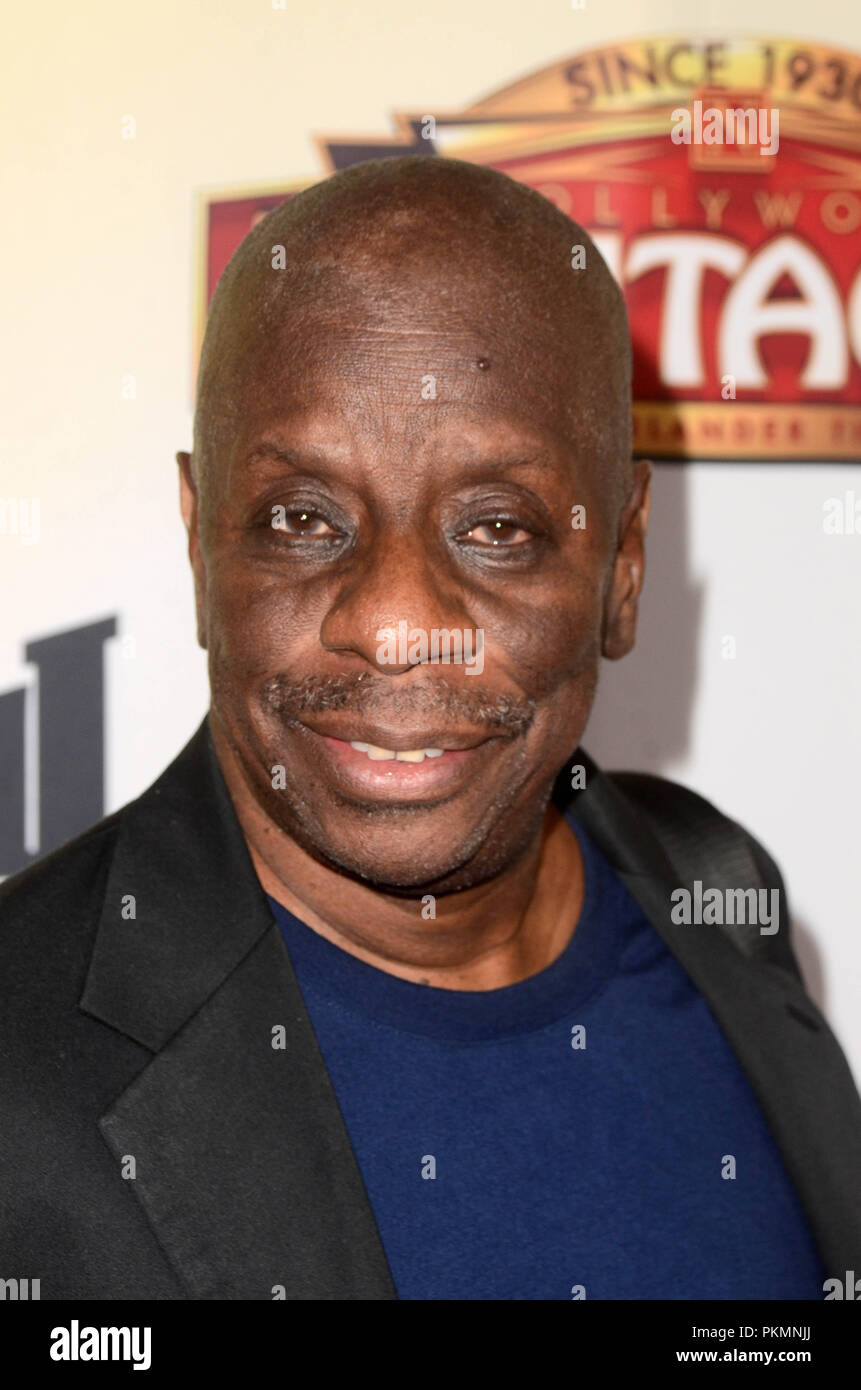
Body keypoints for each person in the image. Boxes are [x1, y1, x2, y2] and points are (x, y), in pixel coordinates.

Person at [1, 156, 859, 1301]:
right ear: (203, 540)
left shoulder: (715, 884)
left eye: (498, 527)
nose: (397, 627)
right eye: (303, 517)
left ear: (625, 563)